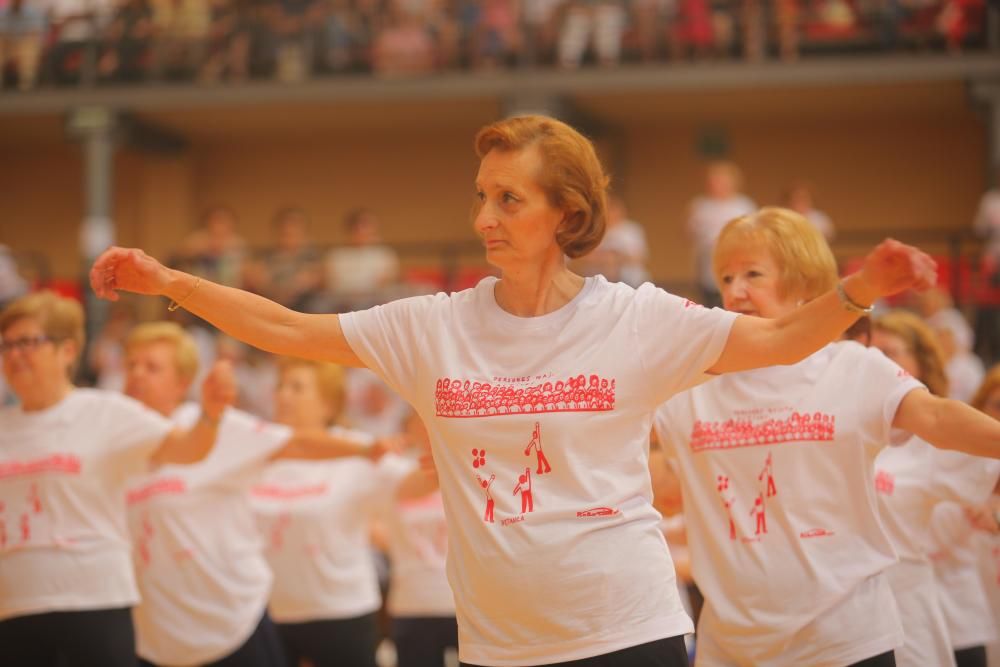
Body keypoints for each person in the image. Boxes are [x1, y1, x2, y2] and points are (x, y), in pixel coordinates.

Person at [91, 114, 937, 667]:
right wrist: (174, 280)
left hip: (628, 630)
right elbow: (291, 330)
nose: (484, 217)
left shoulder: (636, 319)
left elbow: (780, 338)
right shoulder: (433, 325)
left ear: (565, 214)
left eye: (509, 199)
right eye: (481, 197)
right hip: (498, 644)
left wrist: (861, 286)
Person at [653, 208, 1000, 666]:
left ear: (802, 284)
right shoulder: (687, 386)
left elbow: (936, 418)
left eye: (752, 274)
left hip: (846, 640)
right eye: (727, 276)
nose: (736, 291)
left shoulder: (852, 368)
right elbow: (656, 483)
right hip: (732, 650)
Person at [122, 322, 381, 667]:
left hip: (232, 626)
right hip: (156, 638)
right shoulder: (115, 438)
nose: (137, 374)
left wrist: (370, 449)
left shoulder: (220, 427)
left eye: (151, 367)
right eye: (130, 365)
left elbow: (296, 442)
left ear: (183, 383)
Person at [0, 291, 229, 667]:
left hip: (95, 601)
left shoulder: (105, 412)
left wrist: (211, 415)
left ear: (68, 350)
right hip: (14, 606)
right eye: (7, 345)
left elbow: (187, 449)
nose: (14, 355)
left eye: (28, 342)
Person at [870, 310, 1000, 667]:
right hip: (850, 618)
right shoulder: (849, 430)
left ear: (920, 367)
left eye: (889, 352)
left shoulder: (932, 441)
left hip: (914, 612)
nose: (874, 362)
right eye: (869, 351)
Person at [250, 357, 387, 667]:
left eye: (297, 388)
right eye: (280, 386)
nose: (283, 395)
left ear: (328, 404)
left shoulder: (357, 449)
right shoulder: (258, 451)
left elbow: (407, 487)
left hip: (341, 611)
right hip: (268, 612)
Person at [375, 410, 458, 667]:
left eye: (432, 415)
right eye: (419, 416)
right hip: (411, 602)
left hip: (462, 604)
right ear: (408, 425)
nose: (427, 424)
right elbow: (373, 525)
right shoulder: (392, 468)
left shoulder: (465, 463)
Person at [686, 160, 756, 307]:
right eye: (713, 181)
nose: (716, 184)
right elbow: (689, 233)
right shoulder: (700, 205)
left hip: (737, 263)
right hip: (707, 267)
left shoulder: (743, 205)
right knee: (710, 305)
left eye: (720, 180)